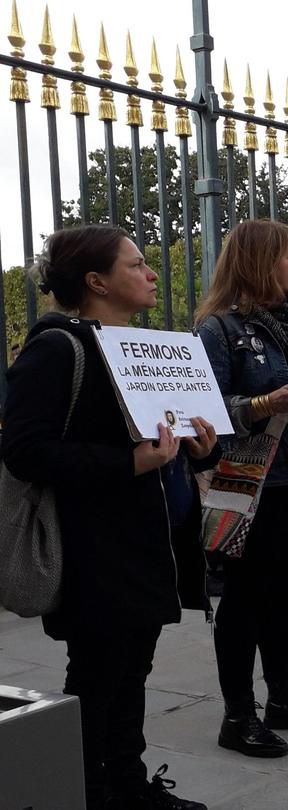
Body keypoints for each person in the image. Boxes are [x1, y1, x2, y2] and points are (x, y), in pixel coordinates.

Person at [3, 226, 214, 809]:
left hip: (148, 541)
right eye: (137, 264)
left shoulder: (140, 346)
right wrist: (127, 463)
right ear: (96, 281)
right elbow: (23, 449)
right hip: (94, 547)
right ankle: (91, 791)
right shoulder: (57, 348)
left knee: (132, 669)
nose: (151, 274)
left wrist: (202, 446)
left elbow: (174, 438)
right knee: (98, 676)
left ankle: (126, 781)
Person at [197, 220, 288, 756]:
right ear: (260, 261)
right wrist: (263, 404)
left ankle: (285, 696)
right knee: (243, 600)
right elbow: (204, 412)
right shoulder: (218, 329)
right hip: (251, 482)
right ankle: (238, 716)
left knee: (282, 593)